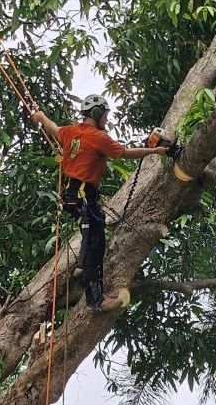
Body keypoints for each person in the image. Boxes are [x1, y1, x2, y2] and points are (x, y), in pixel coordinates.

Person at [31, 94, 168, 312]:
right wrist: (154, 150)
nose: (106, 119)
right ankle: (96, 301)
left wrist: (41, 117)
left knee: (94, 234)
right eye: (104, 115)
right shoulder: (98, 137)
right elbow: (124, 153)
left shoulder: (70, 132)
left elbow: (53, 129)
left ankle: (82, 267)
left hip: (73, 196)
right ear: (94, 113)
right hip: (82, 196)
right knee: (95, 241)